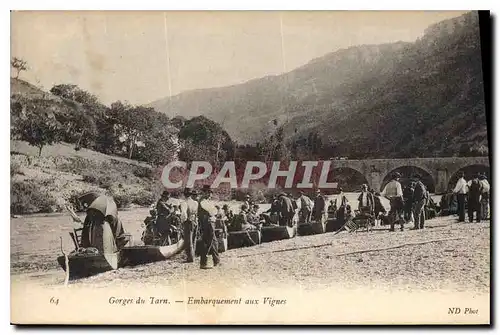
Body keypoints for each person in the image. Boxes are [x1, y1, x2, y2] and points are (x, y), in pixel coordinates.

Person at [197, 186, 220, 269]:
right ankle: (203, 263)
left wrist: (215, 210)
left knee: (214, 242)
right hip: (207, 223)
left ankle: (216, 261)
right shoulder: (203, 201)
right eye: (209, 192)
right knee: (208, 242)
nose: (210, 194)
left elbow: (214, 211)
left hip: (210, 222)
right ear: (205, 192)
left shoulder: (206, 201)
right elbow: (212, 211)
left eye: (210, 192)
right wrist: (216, 210)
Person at [182, 188, 199, 263]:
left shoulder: (184, 203)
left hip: (188, 222)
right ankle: (193, 255)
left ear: (184, 195)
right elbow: (196, 213)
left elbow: (184, 214)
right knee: (194, 239)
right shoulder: (195, 202)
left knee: (188, 241)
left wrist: (183, 221)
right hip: (195, 221)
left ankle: (190, 257)